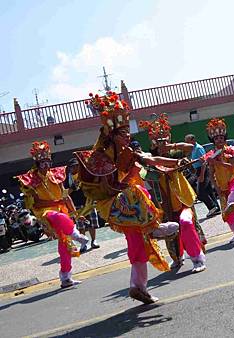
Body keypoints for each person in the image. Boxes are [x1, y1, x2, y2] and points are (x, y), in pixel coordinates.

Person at [76, 92, 180, 304]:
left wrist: (172, 163)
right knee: (136, 190)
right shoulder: (100, 157)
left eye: (128, 133)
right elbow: (108, 188)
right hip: (111, 205)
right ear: (112, 135)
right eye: (123, 133)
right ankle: (155, 228)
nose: (128, 137)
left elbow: (149, 161)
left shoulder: (126, 151)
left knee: (137, 244)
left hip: (125, 205)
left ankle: (138, 288)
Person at [16, 141, 89, 288]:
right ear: (37, 163)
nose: (46, 165)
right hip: (46, 213)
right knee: (60, 218)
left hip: (62, 212)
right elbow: (36, 204)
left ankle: (66, 278)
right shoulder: (30, 180)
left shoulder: (56, 174)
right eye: (42, 162)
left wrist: (75, 213)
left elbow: (66, 197)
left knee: (64, 247)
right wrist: (57, 201)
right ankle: (76, 235)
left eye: (48, 161)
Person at [139, 114, 207, 273]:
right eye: (159, 142)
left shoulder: (175, 153)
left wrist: (171, 147)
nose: (162, 144)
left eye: (165, 141)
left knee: (187, 224)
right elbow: (146, 173)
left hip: (183, 197)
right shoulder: (152, 161)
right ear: (154, 143)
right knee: (171, 232)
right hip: (166, 202)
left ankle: (197, 259)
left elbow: (190, 148)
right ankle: (177, 258)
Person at [65, 158, 100, 253]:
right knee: (81, 226)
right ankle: (83, 243)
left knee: (92, 222)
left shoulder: (83, 174)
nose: (75, 168)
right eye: (73, 166)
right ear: (69, 168)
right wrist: (73, 187)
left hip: (88, 201)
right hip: (76, 204)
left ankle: (94, 240)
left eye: (77, 166)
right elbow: (65, 193)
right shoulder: (66, 178)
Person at [185, 134, 221, 218]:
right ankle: (216, 208)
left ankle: (212, 207)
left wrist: (201, 175)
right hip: (198, 170)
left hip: (202, 170)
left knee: (200, 192)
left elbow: (204, 161)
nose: (186, 143)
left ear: (193, 140)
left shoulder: (198, 148)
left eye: (188, 141)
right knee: (208, 190)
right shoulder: (193, 149)